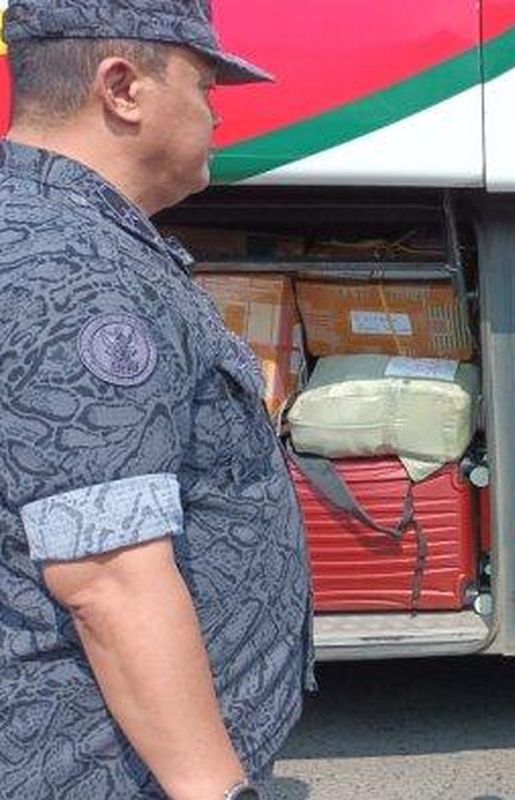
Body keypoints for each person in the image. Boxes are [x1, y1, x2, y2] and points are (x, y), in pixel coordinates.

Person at [0, 2, 312, 798]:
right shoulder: (73, 273)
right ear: (123, 88)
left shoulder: (60, 230)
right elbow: (109, 579)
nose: (216, 113)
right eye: (206, 84)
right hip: (104, 767)